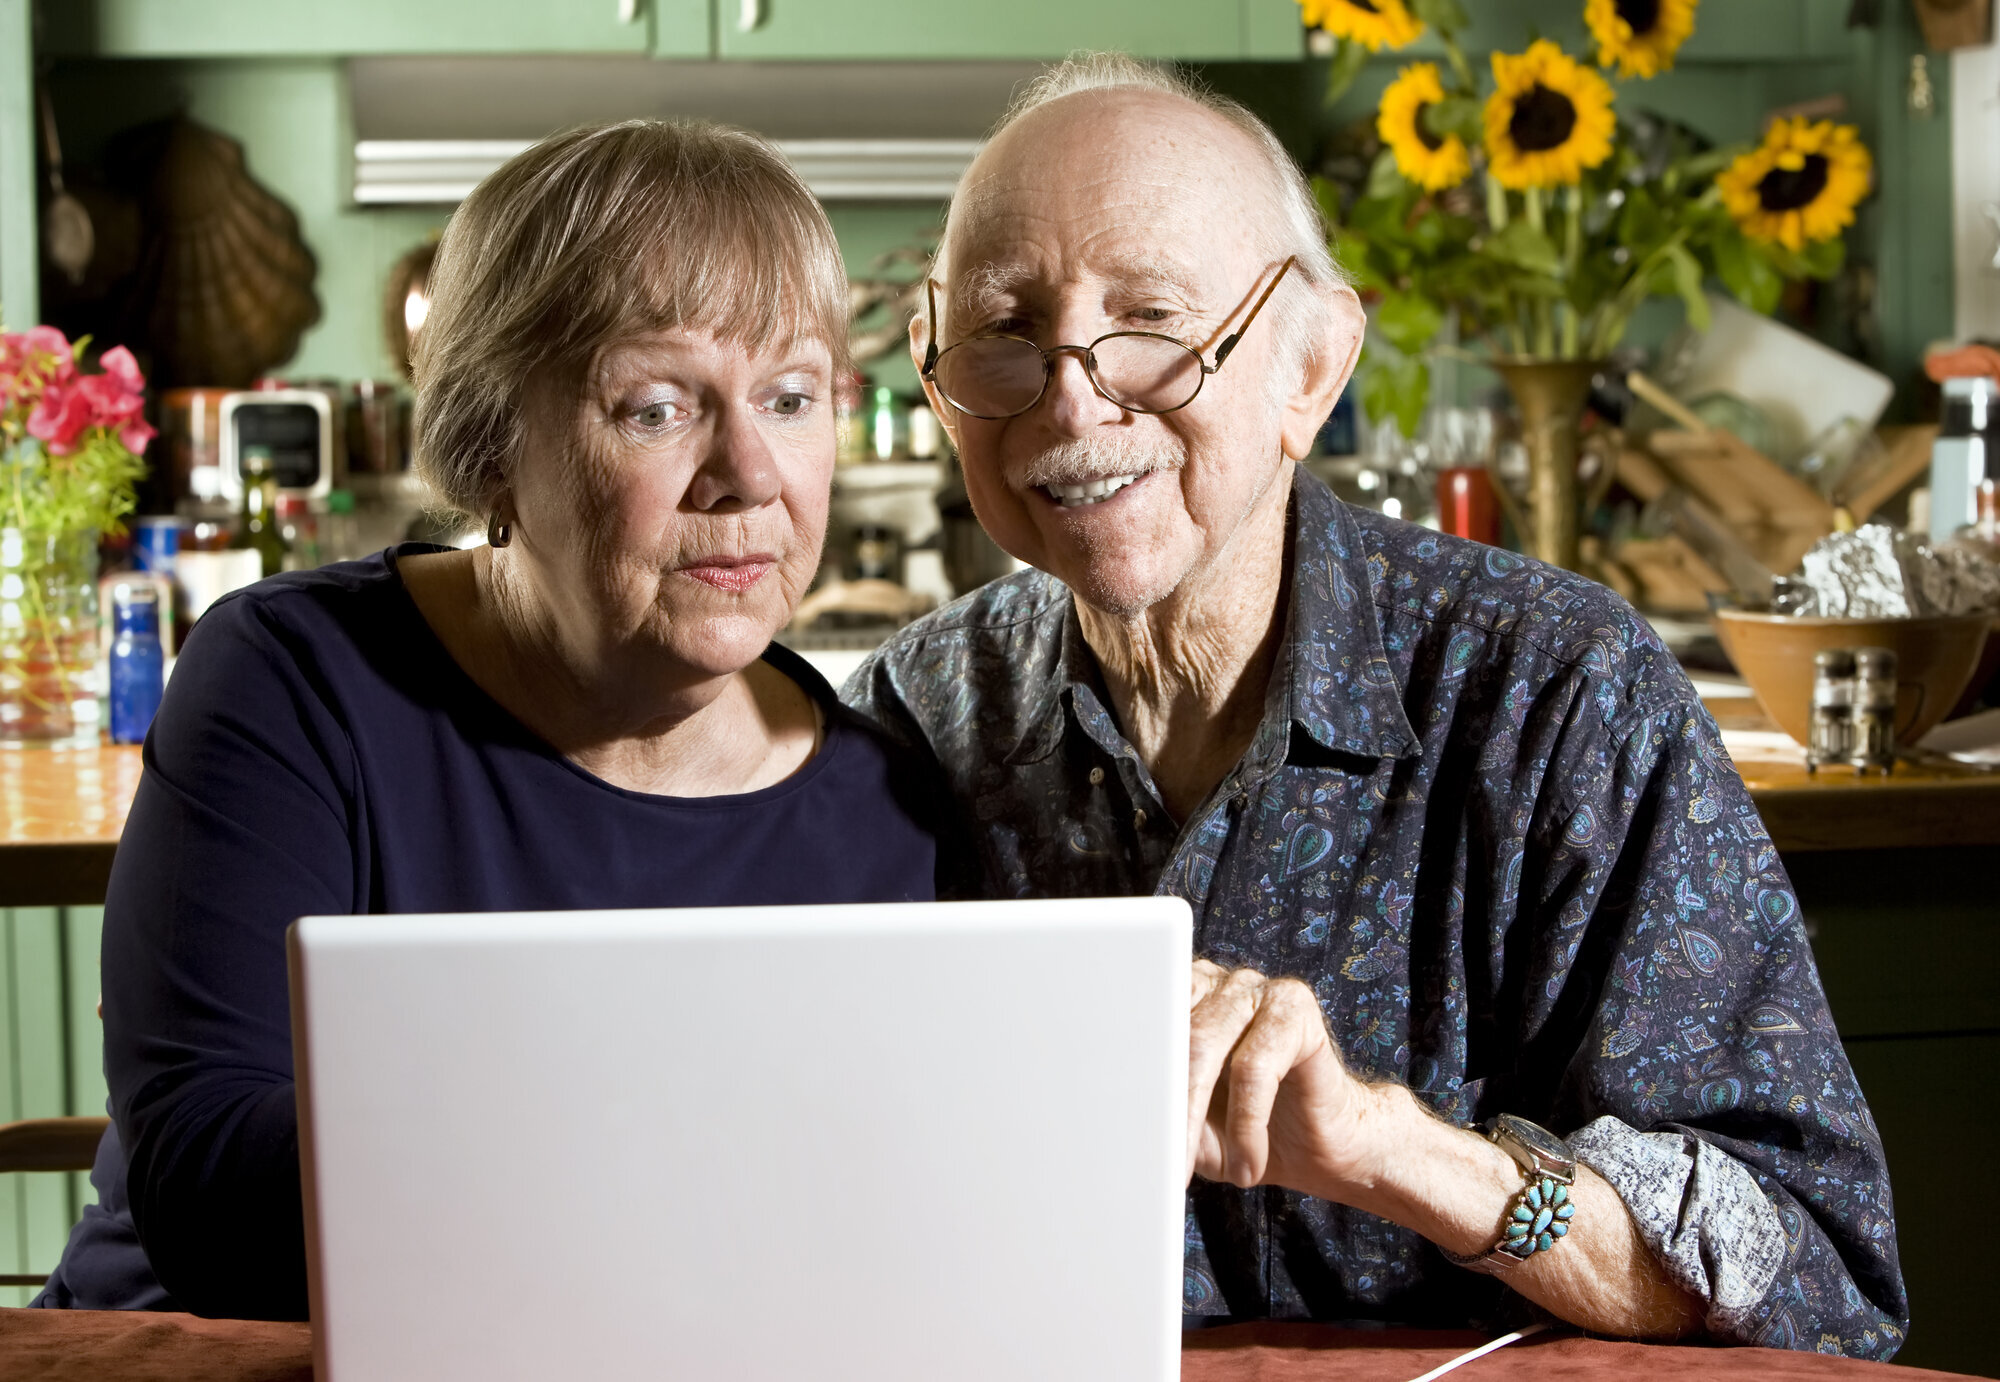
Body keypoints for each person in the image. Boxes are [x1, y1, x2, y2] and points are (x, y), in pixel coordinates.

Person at [846, 55, 1906, 1355]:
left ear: (1312, 366)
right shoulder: (916, 711)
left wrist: (1392, 1147)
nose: (1071, 400)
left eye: (1155, 325)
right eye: (1006, 331)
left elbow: (1812, 1276)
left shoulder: (1557, 694)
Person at [39, 120, 939, 1320]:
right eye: (656, 408)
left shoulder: (885, 806)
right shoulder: (295, 681)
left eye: (789, 396)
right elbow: (212, 1196)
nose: (750, 471)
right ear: (493, 440)